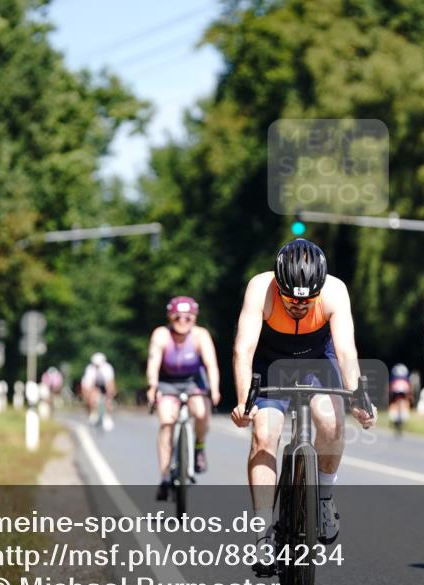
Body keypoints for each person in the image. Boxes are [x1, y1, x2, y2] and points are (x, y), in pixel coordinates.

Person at [231, 239, 375, 559]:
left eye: (308, 300)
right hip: (272, 364)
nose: (299, 306)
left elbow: (346, 350)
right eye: (291, 299)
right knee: (264, 435)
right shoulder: (260, 288)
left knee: (331, 423)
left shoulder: (335, 291)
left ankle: (323, 497)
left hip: (316, 361)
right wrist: (244, 401)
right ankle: (263, 531)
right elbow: (243, 349)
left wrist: (358, 397)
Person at [146, 296, 221, 500]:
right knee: (166, 422)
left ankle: (199, 446)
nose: (183, 321)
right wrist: (152, 386)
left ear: (194, 318)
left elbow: (211, 365)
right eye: (177, 316)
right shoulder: (161, 335)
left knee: (201, 412)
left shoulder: (200, 336)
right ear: (170, 317)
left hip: (194, 381)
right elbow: (153, 363)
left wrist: (214, 390)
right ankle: (164, 477)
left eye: (188, 317)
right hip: (167, 381)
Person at [82, 353, 116, 430]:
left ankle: (107, 417)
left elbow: (110, 383)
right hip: (94, 385)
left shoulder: (108, 368)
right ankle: (92, 413)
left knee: (109, 400)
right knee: (91, 397)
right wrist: (89, 398)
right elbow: (89, 385)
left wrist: (109, 396)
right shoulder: (90, 369)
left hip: (104, 384)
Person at [389, 363, 412, 434]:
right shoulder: (405, 376)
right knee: (406, 400)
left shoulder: (394, 373)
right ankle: (404, 416)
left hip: (396, 389)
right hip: (403, 389)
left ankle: (394, 416)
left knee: (393, 401)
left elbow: (391, 385)